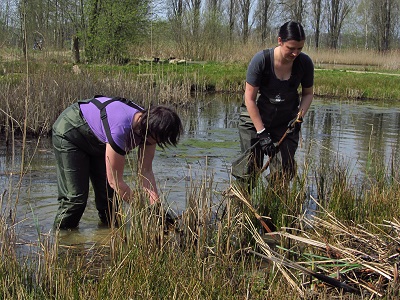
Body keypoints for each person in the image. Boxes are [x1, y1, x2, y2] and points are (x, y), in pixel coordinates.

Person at [52, 95, 183, 229]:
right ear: (150, 130)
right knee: (75, 200)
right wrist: (144, 208)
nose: (158, 143)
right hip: (71, 132)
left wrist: (157, 209)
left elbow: (146, 172)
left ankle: (107, 239)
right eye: (159, 139)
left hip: (100, 139)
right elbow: (115, 181)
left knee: (110, 201)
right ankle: (62, 239)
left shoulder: (151, 130)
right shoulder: (121, 129)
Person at [235, 21, 314, 186]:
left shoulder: (305, 63)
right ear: (280, 41)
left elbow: (308, 94)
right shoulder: (261, 60)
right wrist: (262, 134)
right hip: (255, 117)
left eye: (299, 48)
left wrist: (299, 116)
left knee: (283, 173)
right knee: (248, 169)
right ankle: (242, 206)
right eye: (291, 48)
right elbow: (249, 99)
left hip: (286, 120)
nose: (295, 53)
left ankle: (272, 209)